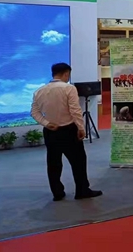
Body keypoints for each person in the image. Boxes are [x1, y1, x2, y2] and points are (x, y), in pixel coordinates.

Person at [31, 63, 102, 202]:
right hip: (69, 130)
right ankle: (82, 190)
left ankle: (57, 193)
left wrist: (46, 123)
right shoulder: (69, 88)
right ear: (66, 73)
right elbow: (75, 110)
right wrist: (81, 128)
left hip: (50, 131)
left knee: (53, 163)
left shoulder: (39, 91)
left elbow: (34, 112)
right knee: (78, 161)